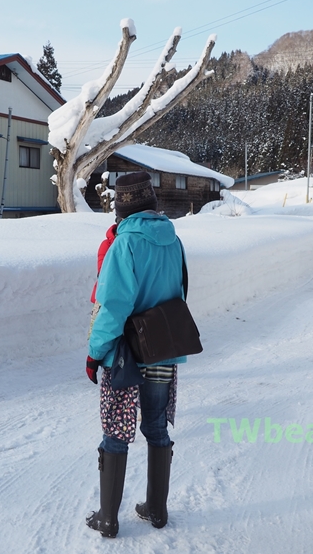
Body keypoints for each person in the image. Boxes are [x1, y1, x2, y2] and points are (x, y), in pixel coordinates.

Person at [84, 171, 188, 537]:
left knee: (116, 431)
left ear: (122, 209)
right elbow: (179, 292)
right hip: (162, 349)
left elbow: (111, 306)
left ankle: (108, 518)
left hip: (126, 355)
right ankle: (157, 509)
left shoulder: (123, 244)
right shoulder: (173, 241)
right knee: (156, 427)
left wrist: (95, 353)